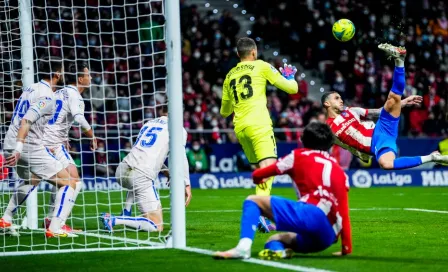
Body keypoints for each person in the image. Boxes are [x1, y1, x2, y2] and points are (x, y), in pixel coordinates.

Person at [213, 122, 351, 259]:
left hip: (311, 213)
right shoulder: (339, 170)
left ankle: (243, 248)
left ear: (303, 140)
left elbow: (258, 174)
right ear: (329, 143)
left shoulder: (298, 155)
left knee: (252, 201)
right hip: (327, 235)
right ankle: (279, 252)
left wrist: (259, 179)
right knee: (275, 239)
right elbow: (344, 211)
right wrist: (346, 247)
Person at [322, 43, 448, 170]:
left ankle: (399, 61)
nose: (341, 100)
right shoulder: (328, 128)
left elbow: (378, 112)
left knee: (393, 99)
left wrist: (401, 103)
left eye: (340, 97)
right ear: (327, 103)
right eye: (337, 98)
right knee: (386, 164)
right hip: (376, 144)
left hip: (381, 129)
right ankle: (432, 158)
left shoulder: (351, 111)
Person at [220, 37, 298, 232]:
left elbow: (224, 111)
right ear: (253, 52)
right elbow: (292, 89)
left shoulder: (229, 76)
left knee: (262, 171)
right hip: (259, 124)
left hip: (241, 129)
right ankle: (260, 214)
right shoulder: (261, 66)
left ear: (239, 55)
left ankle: (259, 211)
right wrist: (289, 77)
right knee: (269, 168)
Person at [0, 57, 78, 238]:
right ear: (57, 74)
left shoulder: (30, 88)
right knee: (69, 182)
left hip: (10, 142)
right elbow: (27, 120)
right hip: (25, 146)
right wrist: (20, 148)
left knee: (32, 179)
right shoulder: (47, 95)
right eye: (63, 71)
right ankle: (55, 228)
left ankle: (6, 218)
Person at [100, 106, 192, 232]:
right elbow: (180, 157)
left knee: (135, 181)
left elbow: (144, 153)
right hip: (140, 176)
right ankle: (114, 220)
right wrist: (186, 183)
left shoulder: (148, 124)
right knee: (157, 226)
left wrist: (166, 171)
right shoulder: (177, 129)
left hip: (121, 170)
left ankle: (126, 211)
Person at [42, 62, 98, 232]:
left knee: (69, 178)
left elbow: (55, 115)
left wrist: (63, 136)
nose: (91, 77)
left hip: (50, 141)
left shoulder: (59, 91)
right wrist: (92, 136)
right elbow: (79, 119)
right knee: (73, 180)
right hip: (50, 143)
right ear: (80, 79)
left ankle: (52, 219)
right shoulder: (76, 96)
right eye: (88, 75)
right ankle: (56, 224)